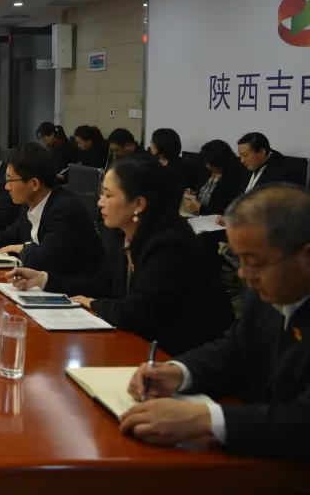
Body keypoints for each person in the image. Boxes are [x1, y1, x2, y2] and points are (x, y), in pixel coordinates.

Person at [120, 184, 310, 459]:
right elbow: (236, 348)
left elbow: (302, 421)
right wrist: (179, 372)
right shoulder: (266, 291)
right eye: (239, 259)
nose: (244, 275)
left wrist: (206, 419)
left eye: (255, 262)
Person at [9, 156, 233, 355]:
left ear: (138, 204)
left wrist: (93, 304)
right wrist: (43, 279)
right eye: (101, 194)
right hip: (144, 346)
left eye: (108, 195)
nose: (100, 202)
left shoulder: (170, 245)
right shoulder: (122, 235)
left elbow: (133, 312)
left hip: (186, 357)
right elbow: (102, 284)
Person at [0, 142, 104, 276]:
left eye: (10, 180)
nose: (6, 187)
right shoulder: (30, 202)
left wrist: (23, 247)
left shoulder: (64, 209)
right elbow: (11, 233)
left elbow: (42, 260)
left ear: (34, 184)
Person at [183, 139, 248, 217]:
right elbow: (200, 188)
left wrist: (201, 208)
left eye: (211, 164)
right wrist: (192, 193)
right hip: (195, 214)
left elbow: (229, 209)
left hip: (212, 218)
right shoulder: (208, 170)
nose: (207, 166)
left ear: (221, 163)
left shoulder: (235, 178)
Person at [237, 132, 304, 191]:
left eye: (245, 155)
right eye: (240, 156)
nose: (242, 161)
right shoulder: (247, 166)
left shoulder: (282, 173)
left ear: (262, 152)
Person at [149, 127, 203, 192]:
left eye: (152, 141)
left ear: (161, 146)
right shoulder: (152, 160)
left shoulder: (180, 167)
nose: (151, 144)